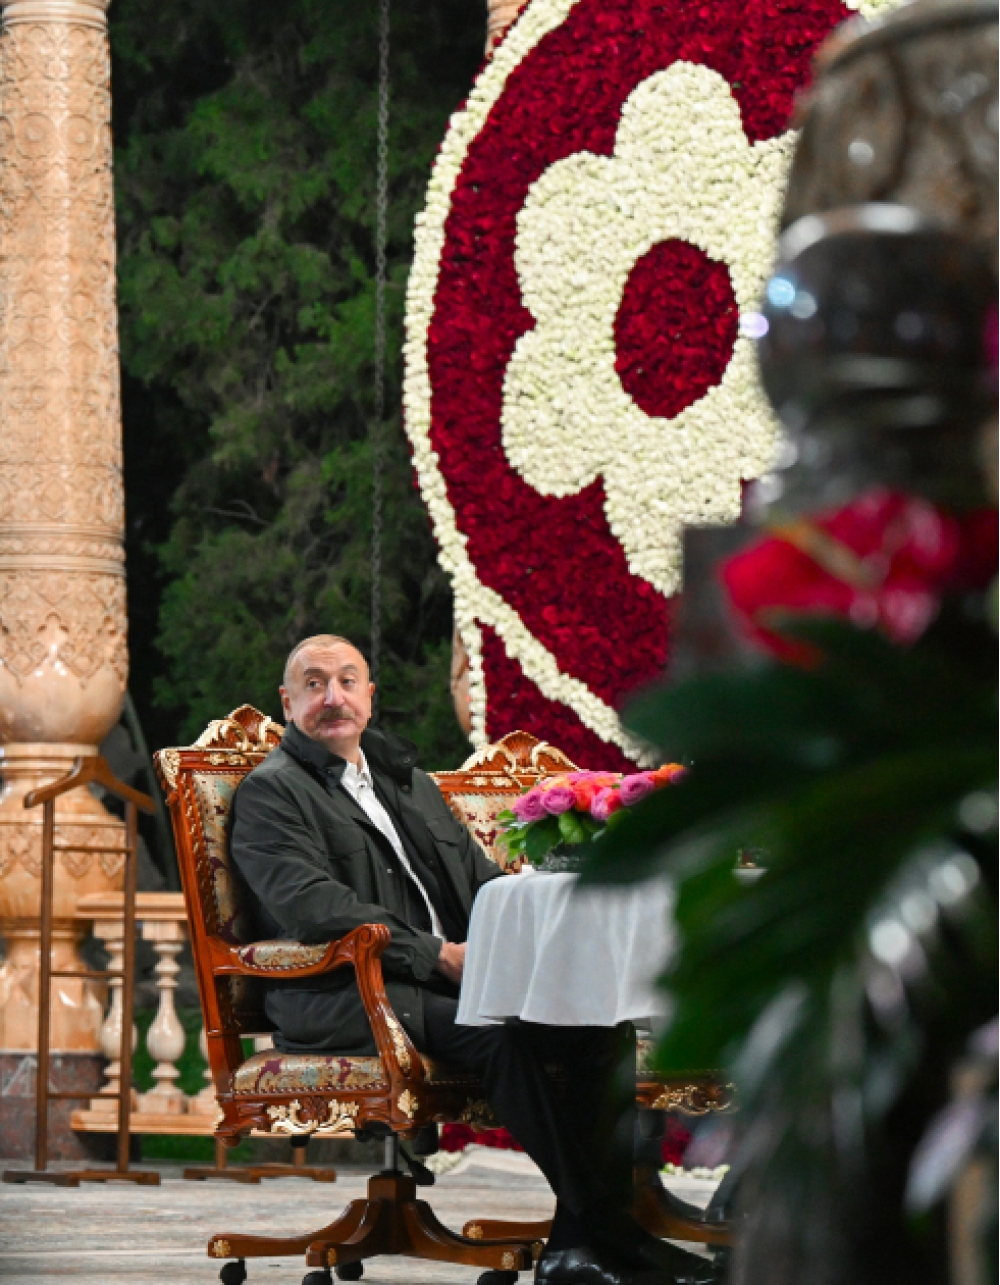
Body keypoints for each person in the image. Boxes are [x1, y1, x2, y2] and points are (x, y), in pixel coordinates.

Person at [230, 634, 717, 1285]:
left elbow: (482, 883)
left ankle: (576, 1246)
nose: (333, 697)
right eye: (313, 684)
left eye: (347, 680)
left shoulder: (407, 781)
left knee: (599, 1024)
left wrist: (521, 949)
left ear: (370, 696)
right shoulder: (273, 792)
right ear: (287, 703)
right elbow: (314, 907)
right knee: (499, 1036)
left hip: (449, 984)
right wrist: (437, 955)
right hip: (345, 994)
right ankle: (620, 1238)